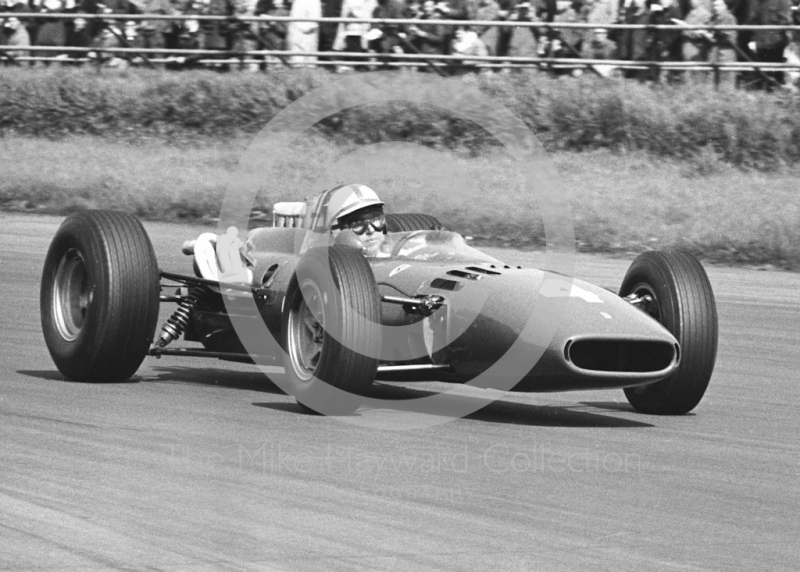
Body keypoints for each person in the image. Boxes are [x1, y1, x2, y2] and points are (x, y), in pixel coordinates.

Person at [325, 184, 392, 258]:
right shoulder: (328, 268)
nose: (371, 230)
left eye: (375, 219)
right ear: (337, 231)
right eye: (358, 224)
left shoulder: (401, 255)